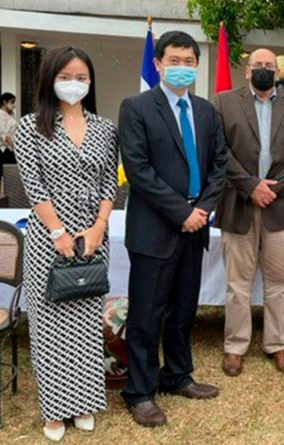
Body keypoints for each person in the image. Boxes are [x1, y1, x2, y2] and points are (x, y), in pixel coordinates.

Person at [119, 31, 227, 428]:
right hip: (155, 229)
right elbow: (138, 170)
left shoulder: (205, 111)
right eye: (174, 60)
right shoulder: (136, 107)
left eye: (189, 61)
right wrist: (181, 212)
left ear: (197, 65)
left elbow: (220, 164)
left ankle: (177, 375)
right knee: (147, 315)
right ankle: (140, 391)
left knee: (183, 311)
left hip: (195, 226)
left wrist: (202, 210)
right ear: (158, 65)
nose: (182, 67)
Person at [13, 46, 118, 442]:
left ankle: (85, 402)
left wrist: (97, 228)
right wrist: (58, 232)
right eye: (67, 76)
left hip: (93, 236)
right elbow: (34, 186)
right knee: (51, 324)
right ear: (50, 78)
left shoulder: (105, 127)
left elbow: (110, 182)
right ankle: (55, 409)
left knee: (86, 323)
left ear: (90, 82)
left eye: (82, 77)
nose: (74, 83)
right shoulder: (31, 126)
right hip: (48, 238)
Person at [212, 48, 284, 376]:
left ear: (279, 72)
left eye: (270, 66)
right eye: (259, 65)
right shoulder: (224, 102)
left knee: (279, 281)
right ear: (247, 70)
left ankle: (277, 344)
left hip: (280, 206)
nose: (265, 70)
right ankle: (235, 346)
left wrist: (273, 187)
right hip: (239, 203)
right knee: (237, 283)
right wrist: (251, 185)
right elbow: (219, 150)